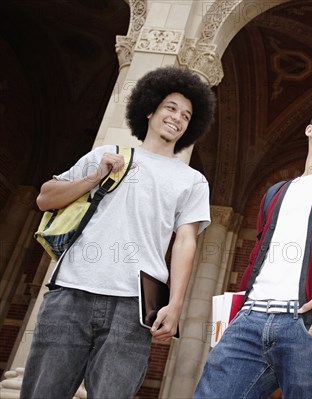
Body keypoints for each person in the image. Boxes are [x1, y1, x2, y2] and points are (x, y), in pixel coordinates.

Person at [21, 66, 216, 399]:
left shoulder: (193, 181)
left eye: (186, 115)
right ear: (150, 108)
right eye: (170, 107)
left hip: (135, 307)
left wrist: (177, 303)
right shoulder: (108, 155)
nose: (177, 118)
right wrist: (95, 176)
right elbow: (45, 198)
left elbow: (185, 241)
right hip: (71, 292)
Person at [194, 96, 312, 399]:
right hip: (250, 319)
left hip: (309, 324)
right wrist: (237, 311)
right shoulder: (275, 193)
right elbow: (257, 257)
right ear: (310, 130)